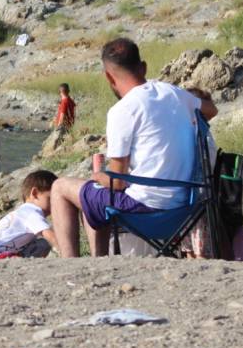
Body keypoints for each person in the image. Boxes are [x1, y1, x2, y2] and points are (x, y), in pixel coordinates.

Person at [49, 38, 218, 258]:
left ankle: (71, 263)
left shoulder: (123, 110)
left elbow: (117, 182)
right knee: (96, 196)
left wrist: (99, 175)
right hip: (185, 208)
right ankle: (97, 261)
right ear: (144, 67)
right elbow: (211, 110)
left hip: (145, 211)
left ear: (109, 77)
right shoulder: (172, 93)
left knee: (61, 188)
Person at [0, 170, 59, 259]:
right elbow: (50, 236)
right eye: (51, 199)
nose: (54, 204)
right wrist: (68, 252)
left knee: (40, 243)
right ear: (35, 194)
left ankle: (16, 258)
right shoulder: (32, 212)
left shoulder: (22, 212)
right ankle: (8, 258)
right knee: (45, 243)